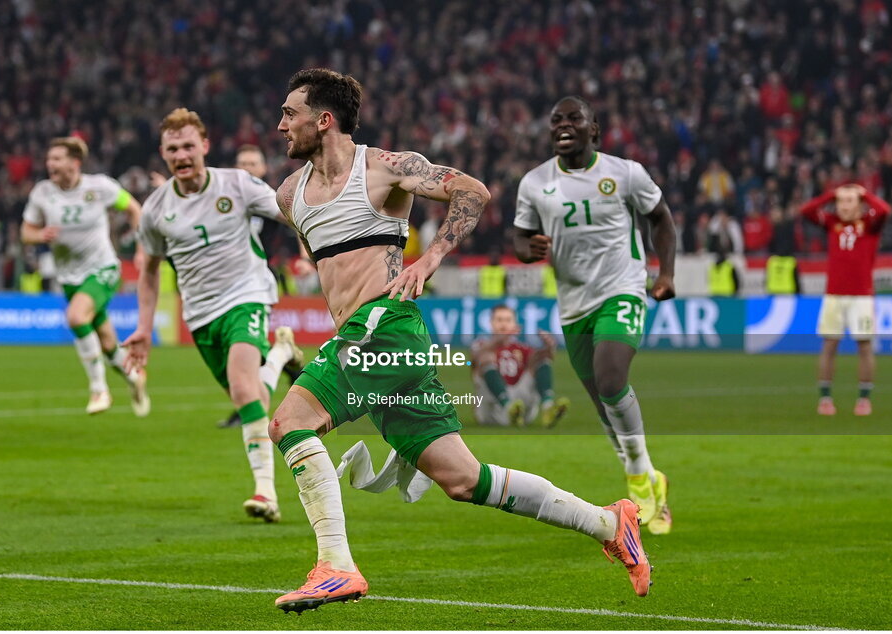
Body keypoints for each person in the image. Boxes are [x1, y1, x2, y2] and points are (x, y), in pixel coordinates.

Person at [268, 69, 650, 613]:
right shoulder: (290, 196)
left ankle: (336, 565)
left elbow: (471, 190)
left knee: (289, 422)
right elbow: (336, 270)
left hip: (387, 326)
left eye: (290, 113)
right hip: (367, 338)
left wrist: (432, 256)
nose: (281, 124)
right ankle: (611, 523)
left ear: (323, 120)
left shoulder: (383, 168)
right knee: (463, 479)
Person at [123, 108, 304, 524]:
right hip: (202, 315)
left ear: (204, 146)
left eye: (189, 145)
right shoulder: (155, 210)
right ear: (163, 155)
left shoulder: (236, 184)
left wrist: (310, 244)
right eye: (173, 149)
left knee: (244, 391)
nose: (182, 155)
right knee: (254, 398)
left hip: (247, 295)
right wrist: (144, 328)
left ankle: (266, 492)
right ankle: (281, 356)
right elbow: (149, 273)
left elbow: (290, 212)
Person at [513, 96, 677, 537]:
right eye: (556, 120)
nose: (563, 125)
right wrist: (525, 250)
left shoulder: (625, 174)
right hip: (573, 305)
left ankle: (640, 477)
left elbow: (661, 219)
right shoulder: (534, 183)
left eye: (573, 118)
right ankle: (650, 478)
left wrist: (666, 273)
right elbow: (520, 236)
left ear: (594, 129)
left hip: (622, 288)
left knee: (610, 379)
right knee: (604, 406)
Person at [21, 136, 151, 417]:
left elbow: (133, 209)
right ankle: (135, 377)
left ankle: (99, 389)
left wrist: (142, 247)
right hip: (69, 278)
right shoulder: (42, 193)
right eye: (49, 159)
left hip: (103, 269)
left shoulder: (99, 186)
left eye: (57, 159)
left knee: (76, 317)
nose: (50, 164)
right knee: (106, 344)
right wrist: (40, 235)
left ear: (74, 163)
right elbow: (25, 232)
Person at [218, 144, 304, 429]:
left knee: (244, 342)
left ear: (264, 169)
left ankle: (246, 407)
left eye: (253, 163)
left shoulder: (269, 198)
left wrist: (306, 257)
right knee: (240, 343)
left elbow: (296, 222)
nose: (246, 168)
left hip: (258, 281)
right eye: (241, 163)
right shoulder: (223, 200)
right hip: (228, 281)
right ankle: (288, 361)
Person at [799, 183, 892, 416]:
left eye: (850, 201)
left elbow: (884, 210)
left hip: (861, 296)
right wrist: (831, 194)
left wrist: (865, 194)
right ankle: (825, 399)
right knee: (829, 345)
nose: (844, 206)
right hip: (834, 295)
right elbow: (806, 211)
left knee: (864, 346)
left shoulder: (870, 225)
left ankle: (863, 399)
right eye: (841, 202)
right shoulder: (832, 223)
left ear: (859, 204)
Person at [470, 304, 570, 427]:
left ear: (514, 324)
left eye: (508, 320)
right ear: (491, 323)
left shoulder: (522, 348)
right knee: (486, 358)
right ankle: (508, 407)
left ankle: (547, 407)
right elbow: (474, 359)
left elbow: (546, 358)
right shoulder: (481, 345)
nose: (503, 324)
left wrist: (550, 347)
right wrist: (498, 341)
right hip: (491, 410)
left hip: (520, 406)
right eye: (499, 320)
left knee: (542, 360)